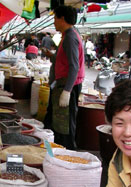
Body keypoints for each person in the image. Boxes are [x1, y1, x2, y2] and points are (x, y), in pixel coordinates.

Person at [44, 5, 85, 150]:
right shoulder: (67, 35)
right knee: (55, 122)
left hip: (68, 86)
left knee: (65, 126)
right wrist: (52, 56)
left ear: (62, 18)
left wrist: (67, 91)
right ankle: (53, 151)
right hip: (62, 84)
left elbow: (75, 66)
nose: (53, 22)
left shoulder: (70, 37)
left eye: (55, 18)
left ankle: (68, 155)